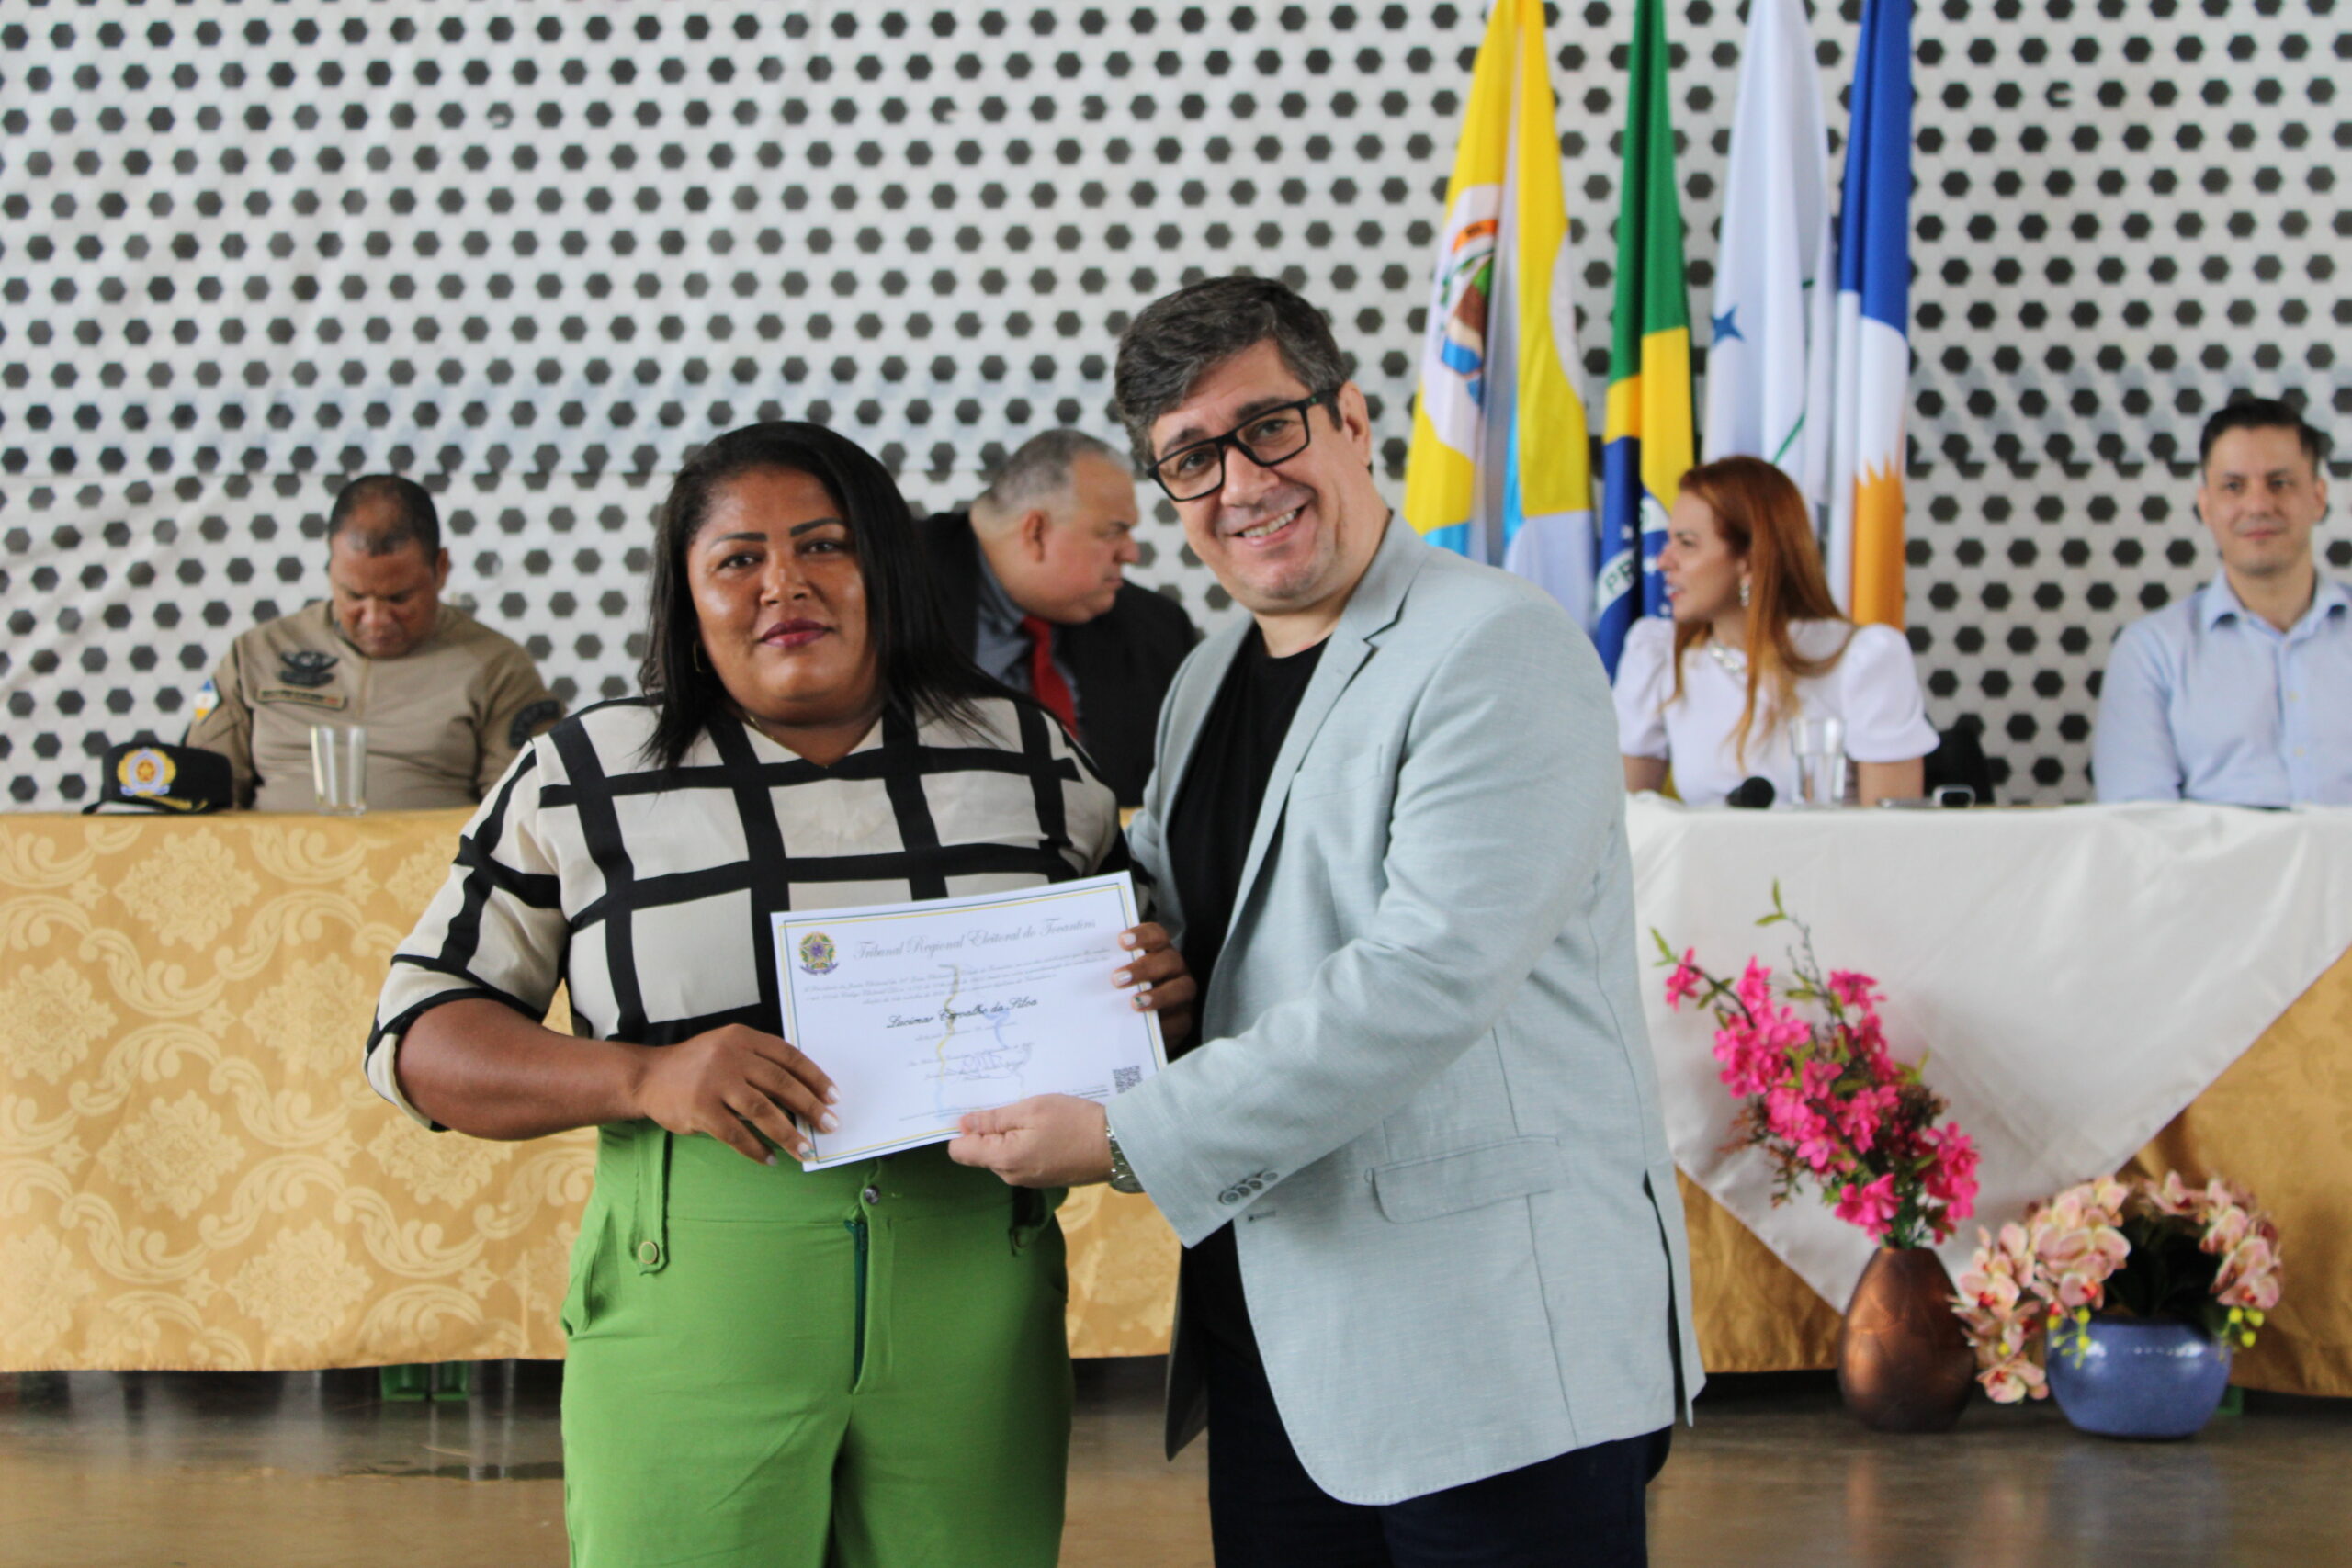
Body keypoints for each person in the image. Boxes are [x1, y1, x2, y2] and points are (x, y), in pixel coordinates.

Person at [949, 276, 1698, 1567]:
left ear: (1351, 418)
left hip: (1491, 1349)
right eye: (1192, 457)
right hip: (1279, 1335)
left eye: (1268, 428)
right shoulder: (1204, 677)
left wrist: (1126, 1131)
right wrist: (1133, 979)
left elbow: (1425, 978)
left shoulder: (1494, 644)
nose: (1240, 483)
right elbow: (1183, 925)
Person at [365, 423, 1193, 1568]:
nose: (783, 584)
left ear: (887, 568)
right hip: (695, 1303)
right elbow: (416, 1036)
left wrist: (1159, 1003)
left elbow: (1141, 992)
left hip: (977, 1307)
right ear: (686, 594)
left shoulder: (1024, 757)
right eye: (738, 559)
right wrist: (643, 1075)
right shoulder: (584, 773)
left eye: (823, 546)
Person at [185, 474, 562, 811]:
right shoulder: (257, 654)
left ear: (441, 568)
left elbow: (526, 815)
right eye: (354, 595)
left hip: (436, 869)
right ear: (331, 568)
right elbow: (197, 797)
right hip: (268, 868)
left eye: (398, 598)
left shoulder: (497, 666)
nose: (375, 619)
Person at [1613, 455, 1937, 807]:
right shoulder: (1658, 653)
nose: (1663, 561)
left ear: (1752, 560)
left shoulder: (1865, 658)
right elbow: (1619, 817)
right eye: (1669, 541)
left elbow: (1894, 830)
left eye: (1687, 543)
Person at [919, 428, 1197, 806]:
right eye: (1114, 532)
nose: (1131, 554)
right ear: (1036, 532)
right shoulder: (884, 591)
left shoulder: (1158, 630)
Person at [2095, 399, 2348, 805]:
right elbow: (2139, 825)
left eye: (2280, 483)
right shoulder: (2151, 653)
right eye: (2233, 486)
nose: (2258, 505)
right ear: (2206, 506)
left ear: (2318, 498)